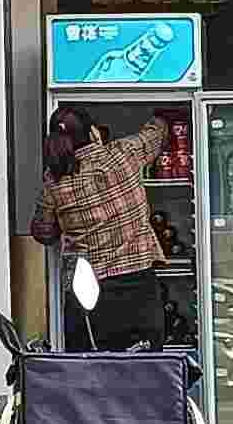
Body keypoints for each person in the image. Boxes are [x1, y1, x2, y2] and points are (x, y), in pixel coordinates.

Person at [34, 105, 171, 350]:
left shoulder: (54, 179)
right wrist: (163, 111)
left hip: (87, 296)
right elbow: (158, 133)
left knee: (93, 370)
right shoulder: (123, 153)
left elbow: (43, 231)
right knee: (144, 368)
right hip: (137, 291)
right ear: (94, 133)